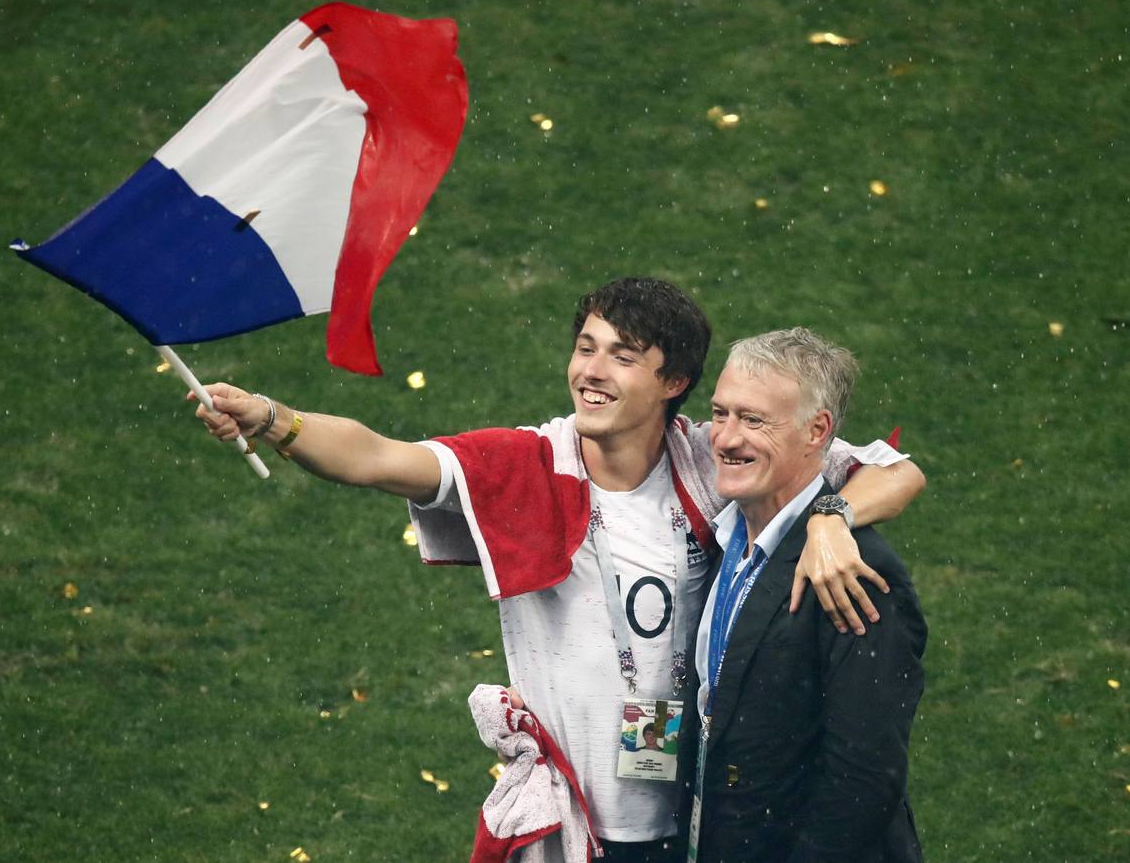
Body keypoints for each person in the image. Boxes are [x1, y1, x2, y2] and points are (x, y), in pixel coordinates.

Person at [190, 278, 925, 861]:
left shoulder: (712, 455)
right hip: (573, 821)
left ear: (673, 383)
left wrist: (832, 516)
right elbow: (378, 457)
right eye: (584, 346)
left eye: (621, 355)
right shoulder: (526, 463)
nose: (590, 372)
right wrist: (273, 418)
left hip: (687, 816)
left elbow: (898, 472)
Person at [687, 328, 927, 863]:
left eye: (753, 420)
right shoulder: (726, 538)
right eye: (720, 413)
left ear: (817, 431)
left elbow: (863, 780)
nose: (725, 438)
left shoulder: (855, 571)